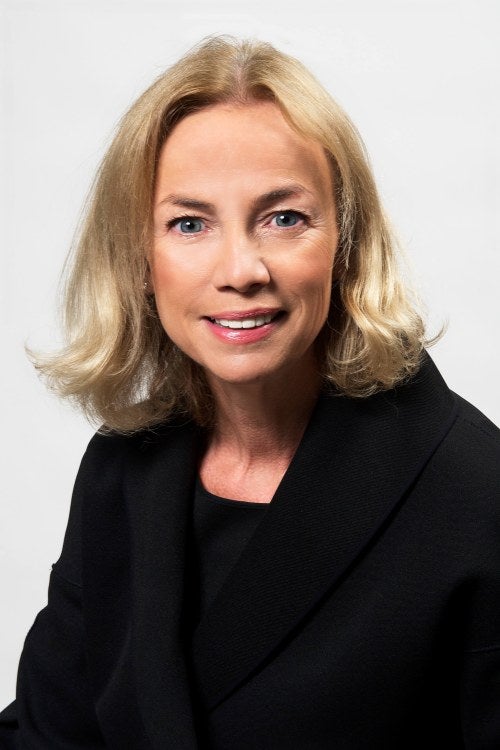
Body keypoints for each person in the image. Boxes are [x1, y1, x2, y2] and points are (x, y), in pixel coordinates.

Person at [0, 35, 499, 750]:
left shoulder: (475, 494)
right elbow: (51, 731)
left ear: (346, 244)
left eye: (283, 217)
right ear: (141, 259)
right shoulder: (120, 470)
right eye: (190, 223)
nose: (240, 269)